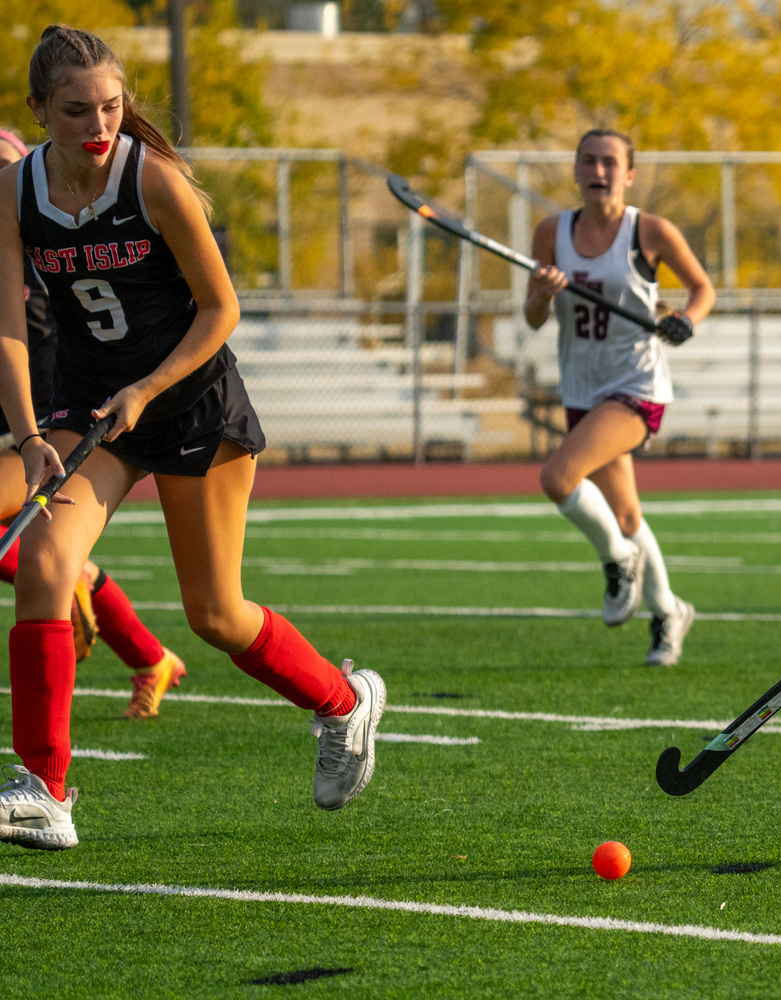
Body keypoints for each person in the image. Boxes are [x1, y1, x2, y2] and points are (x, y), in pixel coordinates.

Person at [0, 25, 385, 851]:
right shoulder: (16, 192)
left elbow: (221, 310)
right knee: (43, 561)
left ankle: (345, 703)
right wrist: (29, 433)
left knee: (214, 614)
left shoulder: (155, 180)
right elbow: (9, 330)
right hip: (88, 404)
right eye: (76, 111)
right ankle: (45, 790)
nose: (98, 125)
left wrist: (145, 387)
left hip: (191, 401)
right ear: (38, 111)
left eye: (111, 106)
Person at [0, 125, 183, 721]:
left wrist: (32, 433)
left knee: (215, 610)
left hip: (42, 420)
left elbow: (31, 347)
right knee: (50, 556)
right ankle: (148, 654)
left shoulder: (37, 250)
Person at [525, 129, 715, 666]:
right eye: (588, 160)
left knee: (558, 478)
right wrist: (541, 295)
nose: (598, 170)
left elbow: (703, 289)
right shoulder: (551, 232)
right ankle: (667, 610)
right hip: (581, 385)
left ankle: (617, 562)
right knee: (627, 514)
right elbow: (534, 318)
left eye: (610, 162)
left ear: (628, 173)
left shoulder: (648, 230)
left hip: (636, 385)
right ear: (577, 169)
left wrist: (684, 319)